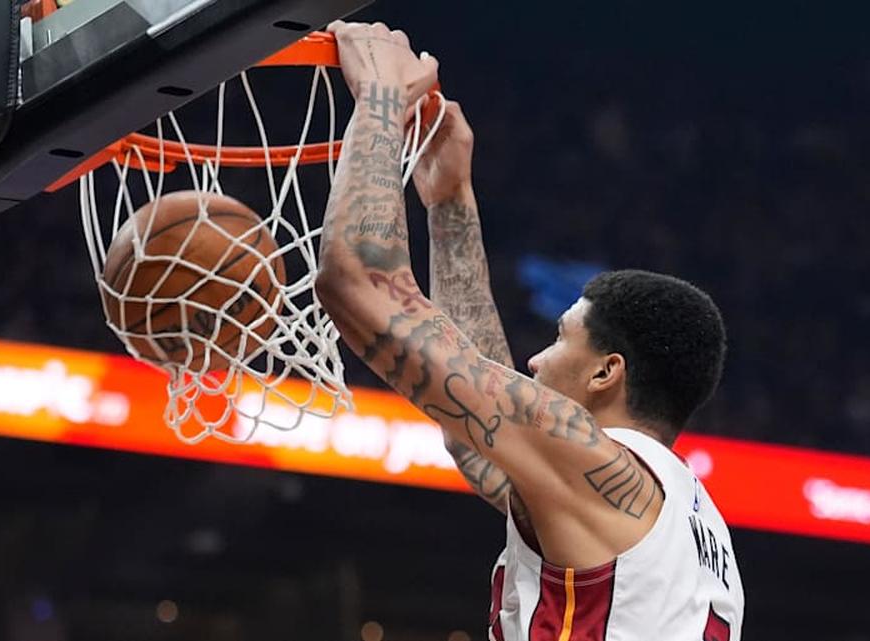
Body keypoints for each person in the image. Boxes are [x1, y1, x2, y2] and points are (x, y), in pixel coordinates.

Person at [316, 21, 745, 641]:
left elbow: (356, 279)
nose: (535, 362)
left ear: (607, 371)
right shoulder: (687, 519)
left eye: (562, 338)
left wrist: (380, 97)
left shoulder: (598, 466)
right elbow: (473, 432)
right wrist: (449, 200)